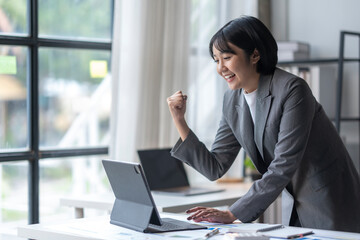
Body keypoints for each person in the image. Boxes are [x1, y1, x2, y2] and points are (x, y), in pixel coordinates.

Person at [167, 16, 360, 232]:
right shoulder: (232, 100)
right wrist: (179, 120)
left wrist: (233, 213)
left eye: (227, 57)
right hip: (294, 201)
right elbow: (215, 167)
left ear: (255, 55)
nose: (220, 68)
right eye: (216, 60)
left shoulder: (292, 90)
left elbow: (283, 164)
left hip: (329, 201)